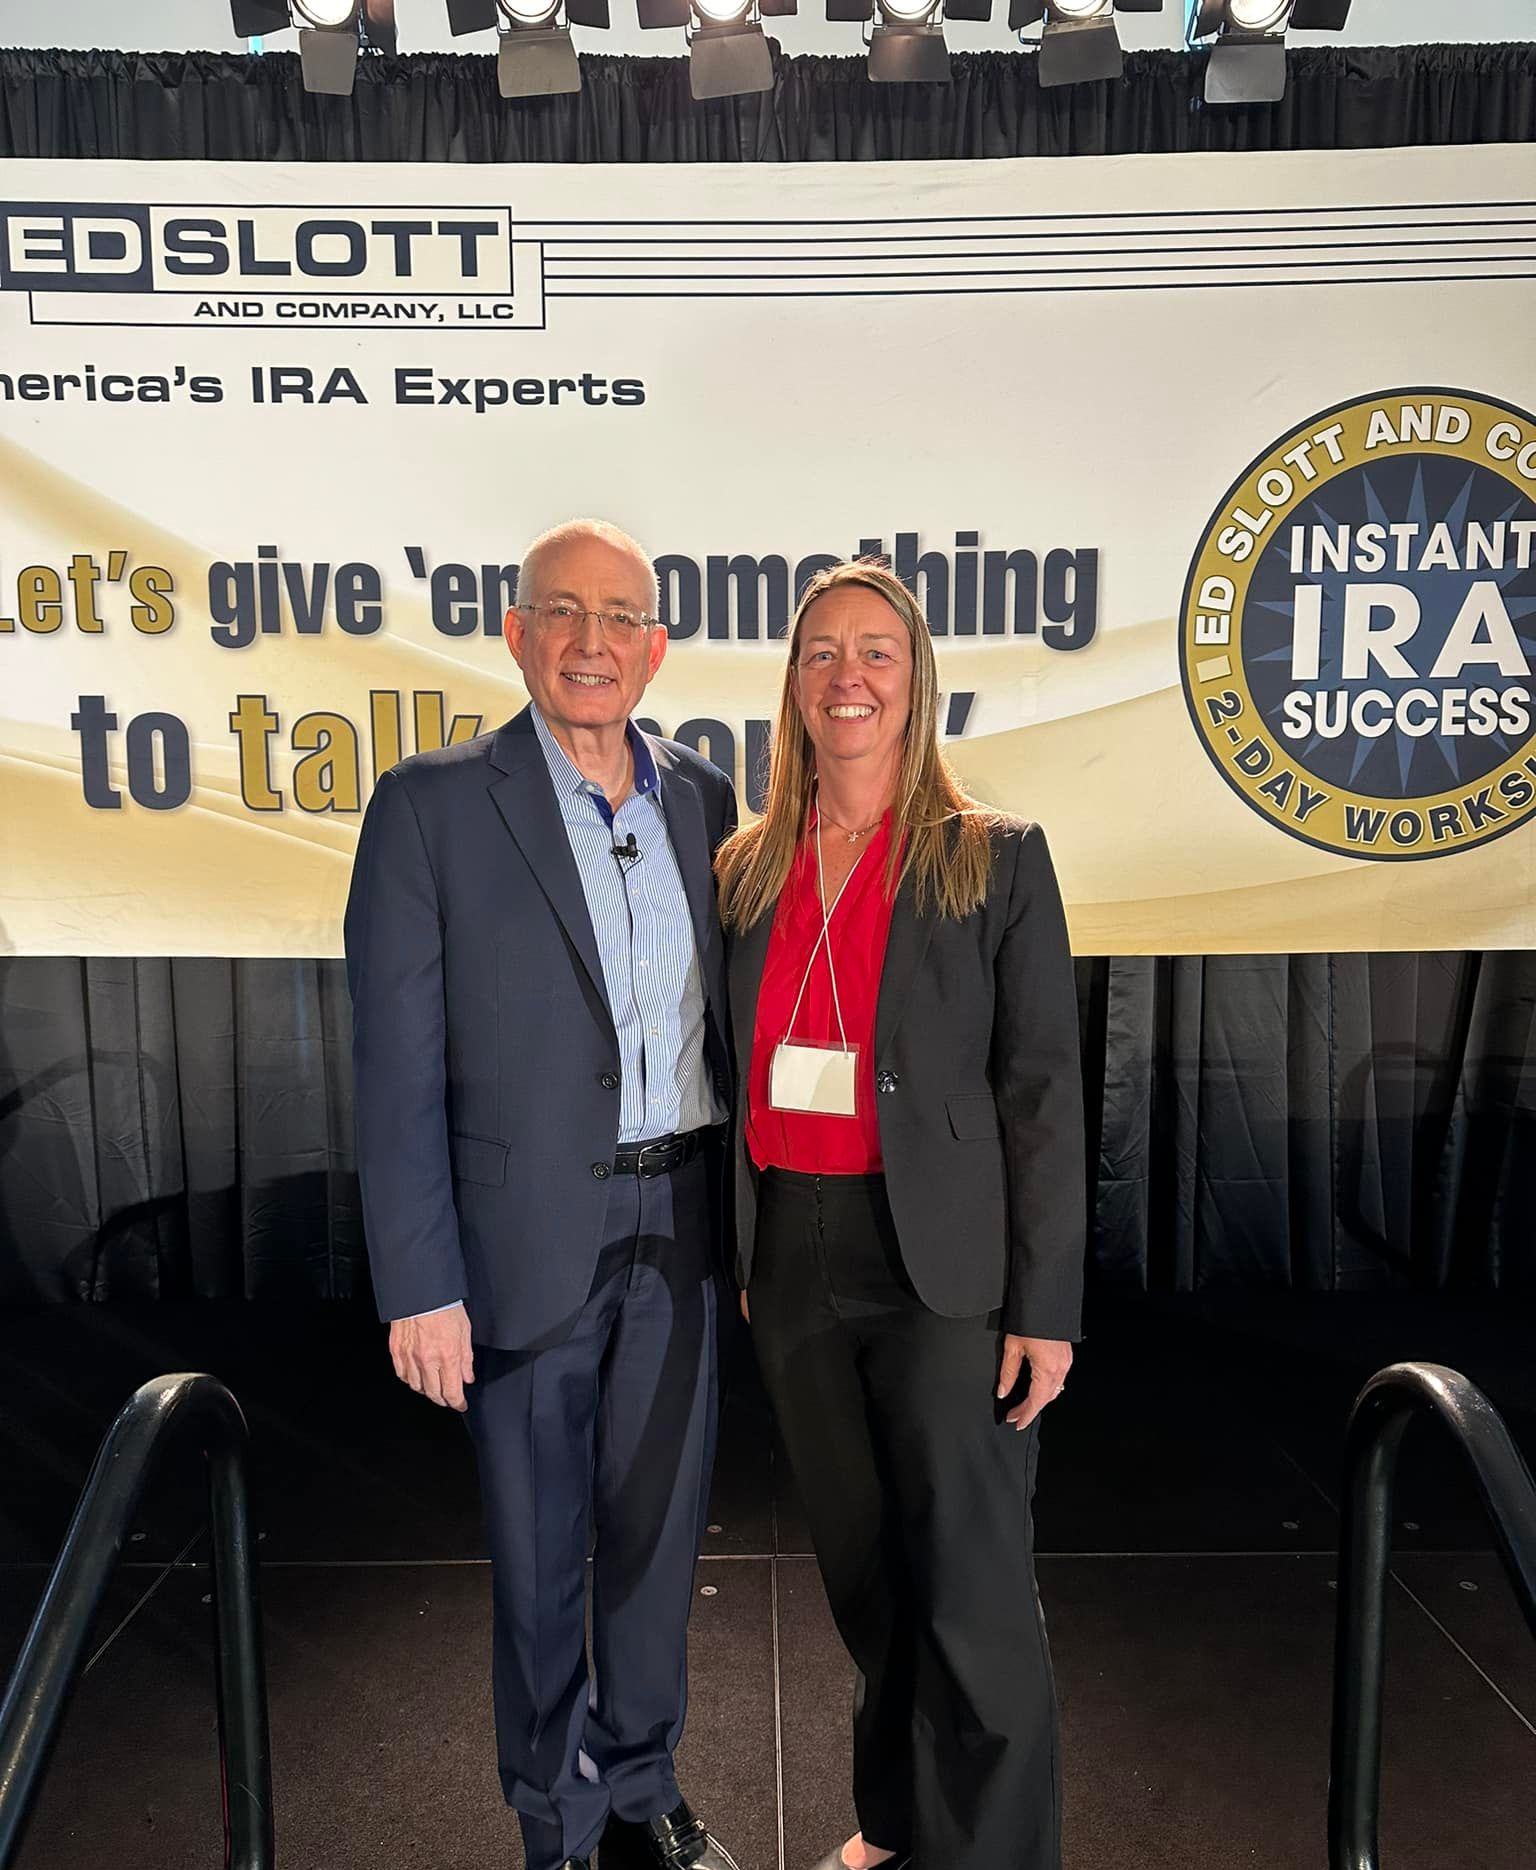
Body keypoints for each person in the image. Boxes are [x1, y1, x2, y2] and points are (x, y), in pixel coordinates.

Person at [345, 518, 739, 1870]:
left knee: (654, 1535)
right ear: (514, 633)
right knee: (536, 1559)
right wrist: (420, 1279)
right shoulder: (431, 804)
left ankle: (641, 1784)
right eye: (561, 613)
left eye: (619, 616)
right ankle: (555, 1818)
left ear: (656, 646)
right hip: (520, 1245)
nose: (590, 640)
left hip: (682, 1225)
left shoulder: (703, 795)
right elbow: (395, 1063)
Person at [715, 560, 1085, 1870]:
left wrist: (1046, 1309)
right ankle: (897, 1819)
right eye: (823, 651)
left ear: (916, 678)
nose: (849, 675)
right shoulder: (746, 867)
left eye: (877, 650)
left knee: (972, 1590)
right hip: (795, 1261)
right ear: (794, 685)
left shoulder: (995, 860)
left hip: (940, 1262)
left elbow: (1040, 1091)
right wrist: (753, 1249)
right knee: (868, 1580)